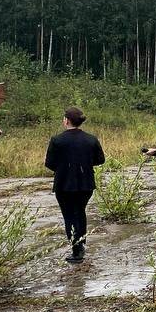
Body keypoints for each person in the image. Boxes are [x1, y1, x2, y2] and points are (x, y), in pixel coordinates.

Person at [44, 106, 106, 263]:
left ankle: (76, 249)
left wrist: (64, 167)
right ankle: (81, 243)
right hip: (86, 183)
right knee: (80, 212)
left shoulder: (57, 140)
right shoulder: (91, 139)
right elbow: (100, 160)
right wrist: (84, 164)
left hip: (64, 183)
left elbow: (49, 163)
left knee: (69, 215)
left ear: (66, 120)